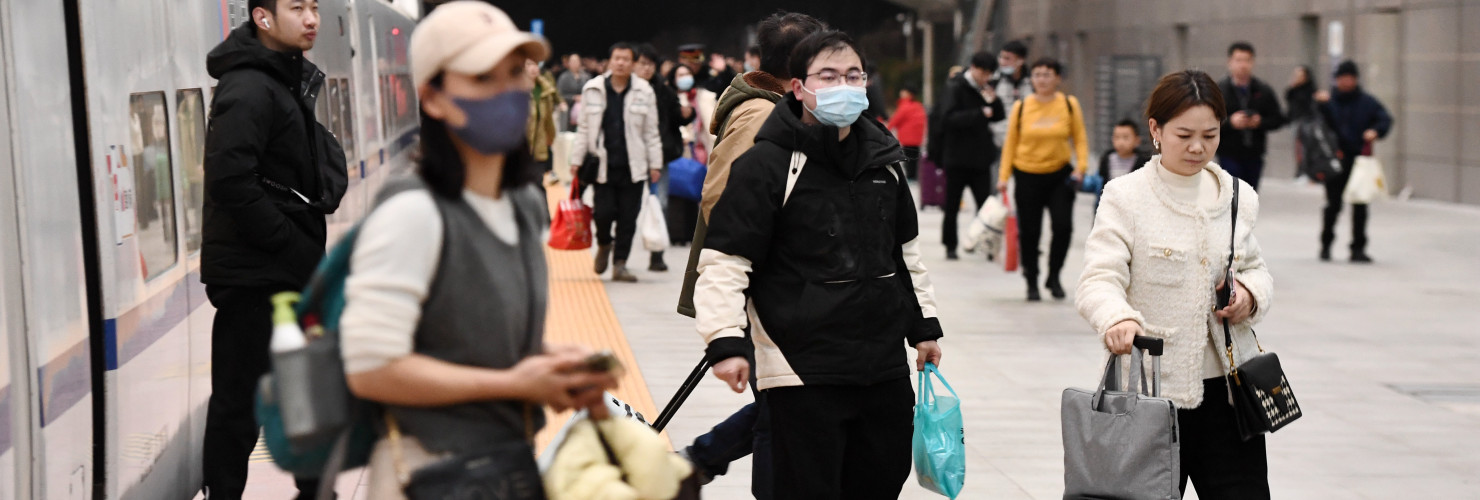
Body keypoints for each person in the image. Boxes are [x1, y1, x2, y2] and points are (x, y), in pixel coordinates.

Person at [341, 5, 618, 498]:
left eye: (515, 73)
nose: (507, 92)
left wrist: (556, 363)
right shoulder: (414, 214)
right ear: (433, 97)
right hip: (429, 472)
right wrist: (516, 384)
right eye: (481, 77)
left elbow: (469, 339)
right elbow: (371, 369)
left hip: (504, 467)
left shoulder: (523, 205)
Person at [694, 30, 944, 498]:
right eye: (827, 76)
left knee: (879, 482)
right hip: (800, 369)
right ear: (797, 87)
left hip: (883, 369)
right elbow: (727, 260)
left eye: (853, 75)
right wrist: (724, 340)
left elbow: (904, 252)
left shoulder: (883, 160)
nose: (843, 86)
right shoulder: (767, 164)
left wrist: (924, 327)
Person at [1078, 69, 1275, 500]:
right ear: (1155, 129)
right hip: (1148, 397)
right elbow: (1099, 278)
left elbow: (1257, 269)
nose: (1197, 147)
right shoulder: (1125, 196)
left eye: (1210, 134)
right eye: (1184, 134)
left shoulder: (1237, 197)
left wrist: (1249, 296)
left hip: (1229, 395)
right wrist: (1116, 318)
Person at [676, 13, 827, 498]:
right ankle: (701, 463)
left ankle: (698, 462)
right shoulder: (762, 115)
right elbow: (723, 199)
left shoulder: (779, 106)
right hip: (760, 286)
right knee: (781, 402)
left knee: (787, 399)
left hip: (779, 285)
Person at [200, 0, 339, 497]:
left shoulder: (278, 79)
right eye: (297, 7)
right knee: (239, 406)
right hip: (256, 278)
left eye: (315, 7)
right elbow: (229, 178)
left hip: (281, 271)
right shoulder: (250, 88)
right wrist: (285, 243)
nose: (311, 19)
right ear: (263, 18)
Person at [570, 41, 664, 282]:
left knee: (627, 218)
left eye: (626, 59)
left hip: (634, 166)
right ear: (609, 61)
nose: (621, 63)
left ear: (633, 64)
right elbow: (583, 129)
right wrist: (576, 160)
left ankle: (620, 264)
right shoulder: (594, 88)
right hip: (602, 165)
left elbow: (651, 131)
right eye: (617, 58)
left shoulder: (644, 90)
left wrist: (655, 164)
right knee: (603, 213)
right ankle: (604, 244)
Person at [997, 57, 1089, 301]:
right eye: (1037, 75)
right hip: (1026, 175)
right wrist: (1003, 176)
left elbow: (1079, 138)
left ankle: (1054, 275)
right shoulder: (1022, 107)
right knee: (1030, 232)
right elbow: (1010, 144)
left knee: (1063, 227)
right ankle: (1031, 279)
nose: (1042, 79)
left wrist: (1081, 167)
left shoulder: (1069, 105)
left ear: (1057, 78)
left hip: (1059, 175)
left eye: (1047, 74)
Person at [1315, 60, 1392, 263]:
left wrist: (1376, 131)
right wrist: (1319, 103)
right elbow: (1314, 121)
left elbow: (1385, 119)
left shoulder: (1367, 102)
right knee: (1333, 204)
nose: (1346, 82)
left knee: (1360, 204)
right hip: (1335, 160)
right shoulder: (1329, 101)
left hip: (1359, 160)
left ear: (1355, 79)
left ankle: (1358, 248)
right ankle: (1326, 244)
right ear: (1337, 80)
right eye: (1342, 78)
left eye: (1350, 78)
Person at [939, 51, 1007, 260]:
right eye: (983, 73)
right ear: (974, 68)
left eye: (989, 74)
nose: (986, 78)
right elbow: (948, 118)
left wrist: (993, 102)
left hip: (980, 158)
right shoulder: (955, 87)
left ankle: (985, 244)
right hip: (957, 158)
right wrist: (979, 113)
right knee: (952, 205)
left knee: (985, 204)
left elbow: (998, 115)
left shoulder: (985, 89)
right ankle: (950, 245)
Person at [636, 43, 686, 269]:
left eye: (650, 64)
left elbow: (677, 117)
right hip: (631, 157)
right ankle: (621, 254)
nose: (646, 68)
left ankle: (657, 254)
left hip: (659, 157)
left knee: (660, 203)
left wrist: (688, 113)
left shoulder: (664, 90)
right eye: (642, 63)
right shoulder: (626, 89)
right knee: (630, 205)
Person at [1216, 42, 1287, 191]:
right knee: (1233, 193)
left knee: (1250, 195)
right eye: (1239, 60)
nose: (1243, 65)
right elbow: (1208, 121)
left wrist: (1260, 122)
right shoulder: (1220, 90)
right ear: (1230, 62)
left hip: (1254, 152)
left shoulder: (1263, 89)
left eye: (1247, 60)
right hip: (1229, 152)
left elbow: (1278, 118)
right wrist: (1231, 122)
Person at [527, 58, 560, 173]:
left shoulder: (545, 89)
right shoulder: (516, 89)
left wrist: (551, 137)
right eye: (529, 64)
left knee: (538, 183)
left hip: (540, 144)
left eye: (536, 64)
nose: (533, 68)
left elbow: (548, 119)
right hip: (521, 148)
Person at [886, 85, 926, 179]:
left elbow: (895, 120)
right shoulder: (918, 106)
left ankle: (910, 177)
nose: (901, 93)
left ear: (909, 94)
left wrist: (884, 130)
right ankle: (914, 176)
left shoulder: (905, 106)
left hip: (908, 138)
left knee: (908, 159)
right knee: (914, 159)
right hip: (917, 138)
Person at [1285, 65, 1318, 180]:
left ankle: (1306, 172)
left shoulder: (1309, 90)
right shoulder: (1293, 90)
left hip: (1306, 122)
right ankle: (1300, 172)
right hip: (1295, 121)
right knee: (1298, 148)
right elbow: (1289, 101)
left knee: (1305, 148)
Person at [1096, 119, 1152, 186]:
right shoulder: (1107, 159)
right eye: (1117, 137)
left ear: (1137, 141)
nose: (1121, 142)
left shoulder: (1143, 163)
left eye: (1126, 137)